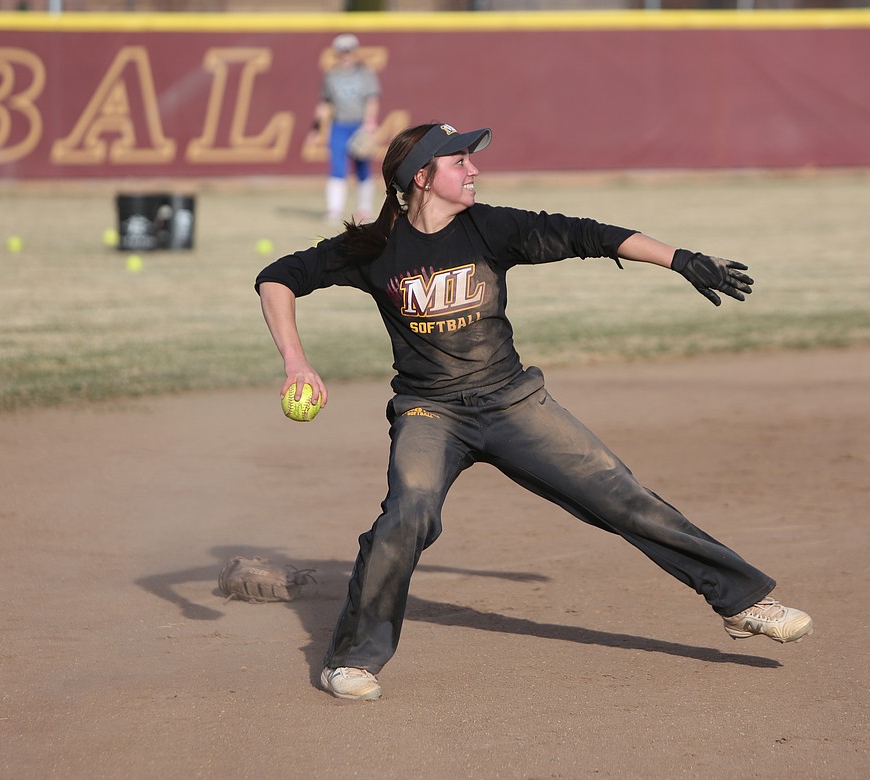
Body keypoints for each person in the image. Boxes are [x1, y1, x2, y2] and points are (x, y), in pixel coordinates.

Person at [256, 122, 814, 702]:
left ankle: (743, 602)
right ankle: (350, 659)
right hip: (430, 413)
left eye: (472, 159)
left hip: (512, 401)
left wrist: (681, 260)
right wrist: (297, 362)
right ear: (420, 177)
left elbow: (587, 234)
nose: (473, 169)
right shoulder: (373, 248)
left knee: (619, 494)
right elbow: (277, 278)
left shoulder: (490, 227)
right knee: (408, 514)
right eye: (458, 161)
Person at [310, 33, 380, 224]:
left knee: (362, 168)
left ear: (354, 52)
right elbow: (325, 104)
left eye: (349, 51)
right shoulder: (331, 76)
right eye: (342, 51)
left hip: (359, 125)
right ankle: (334, 210)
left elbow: (371, 100)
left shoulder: (365, 73)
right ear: (337, 53)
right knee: (337, 168)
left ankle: (364, 209)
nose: (346, 55)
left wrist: (369, 125)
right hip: (339, 125)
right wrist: (315, 129)